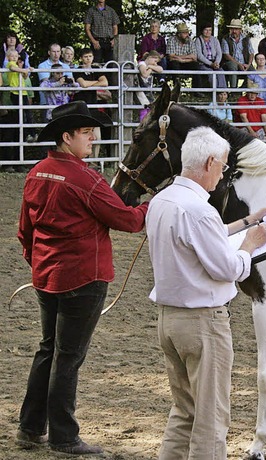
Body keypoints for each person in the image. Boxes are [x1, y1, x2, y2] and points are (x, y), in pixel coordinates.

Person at [16, 100, 148, 456]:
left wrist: (38, 262)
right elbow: (129, 220)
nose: (93, 139)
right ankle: (63, 436)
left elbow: (25, 230)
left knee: (49, 350)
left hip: (46, 275)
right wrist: (156, 202)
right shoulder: (85, 179)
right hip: (83, 278)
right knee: (68, 356)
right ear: (66, 136)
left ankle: (30, 427)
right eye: (87, 133)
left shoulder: (37, 172)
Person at [145, 126, 266, 460]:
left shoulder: (162, 201)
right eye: (224, 166)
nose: (223, 174)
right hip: (203, 323)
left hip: (169, 320)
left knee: (184, 411)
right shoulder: (201, 210)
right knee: (211, 418)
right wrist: (249, 247)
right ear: (210, 162)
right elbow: (228, 268)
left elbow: (201, 237)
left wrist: (247, 221)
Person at [221, 18, 255, 89]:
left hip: (244, 63)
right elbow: (226, 55)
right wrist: (239, 64)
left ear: (240, 30)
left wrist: (249, 64)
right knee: (233, 66)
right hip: (229, 62)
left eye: (236, 29)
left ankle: (241, 89)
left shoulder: (246, 39)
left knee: (253, 72)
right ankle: (233, 90)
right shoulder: (225, 39)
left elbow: (251, 53)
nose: (234, 31)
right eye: (232, 29)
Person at [195, 22, 225, 89]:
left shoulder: (215, 40)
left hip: (215, 62)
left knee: (221, 72)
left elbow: (219, 53)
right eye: (206, 30)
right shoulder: (198, 40)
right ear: (202, 31)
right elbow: (199, 55)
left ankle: (222, 92)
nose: (208, 32)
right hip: (203, 63)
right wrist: (210, 64)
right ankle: (214, 92)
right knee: (211, 73)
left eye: (210, 30)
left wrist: (216, 63)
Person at [138, 50, 164, 120]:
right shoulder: (142, 64)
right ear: (150, 57)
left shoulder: (149, 66)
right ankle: (143, 124)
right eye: (155, 61)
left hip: (148, 91)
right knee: (144, 107)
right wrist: (151, 68)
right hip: (141, 90)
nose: (155, 64)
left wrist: (150, 67)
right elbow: (144, 74)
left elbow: (161, 69)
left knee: (150, 107)